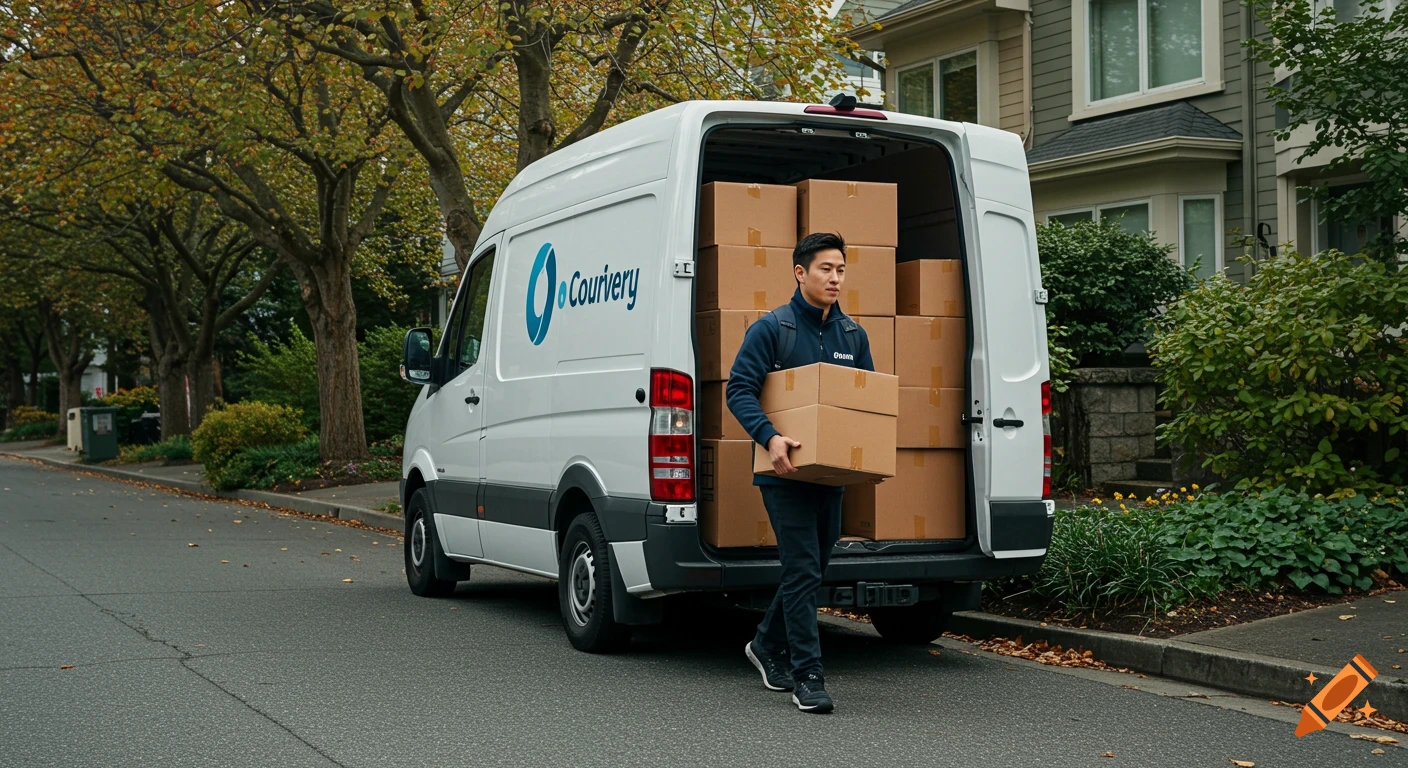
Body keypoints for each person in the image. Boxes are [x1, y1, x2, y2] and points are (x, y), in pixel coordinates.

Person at [725, 231, 876, 714]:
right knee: (803, 567)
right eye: (825, 269)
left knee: (812, 569)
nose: (835, 278)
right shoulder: (772, 329)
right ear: (800, 272)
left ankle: (766, 644)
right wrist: (770, 437)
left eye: (841, 269)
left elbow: (865, 403)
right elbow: (739, 390)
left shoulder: (853, 335)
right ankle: (808, 676)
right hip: (784, 473)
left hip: (829, 475)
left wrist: (865, 455)